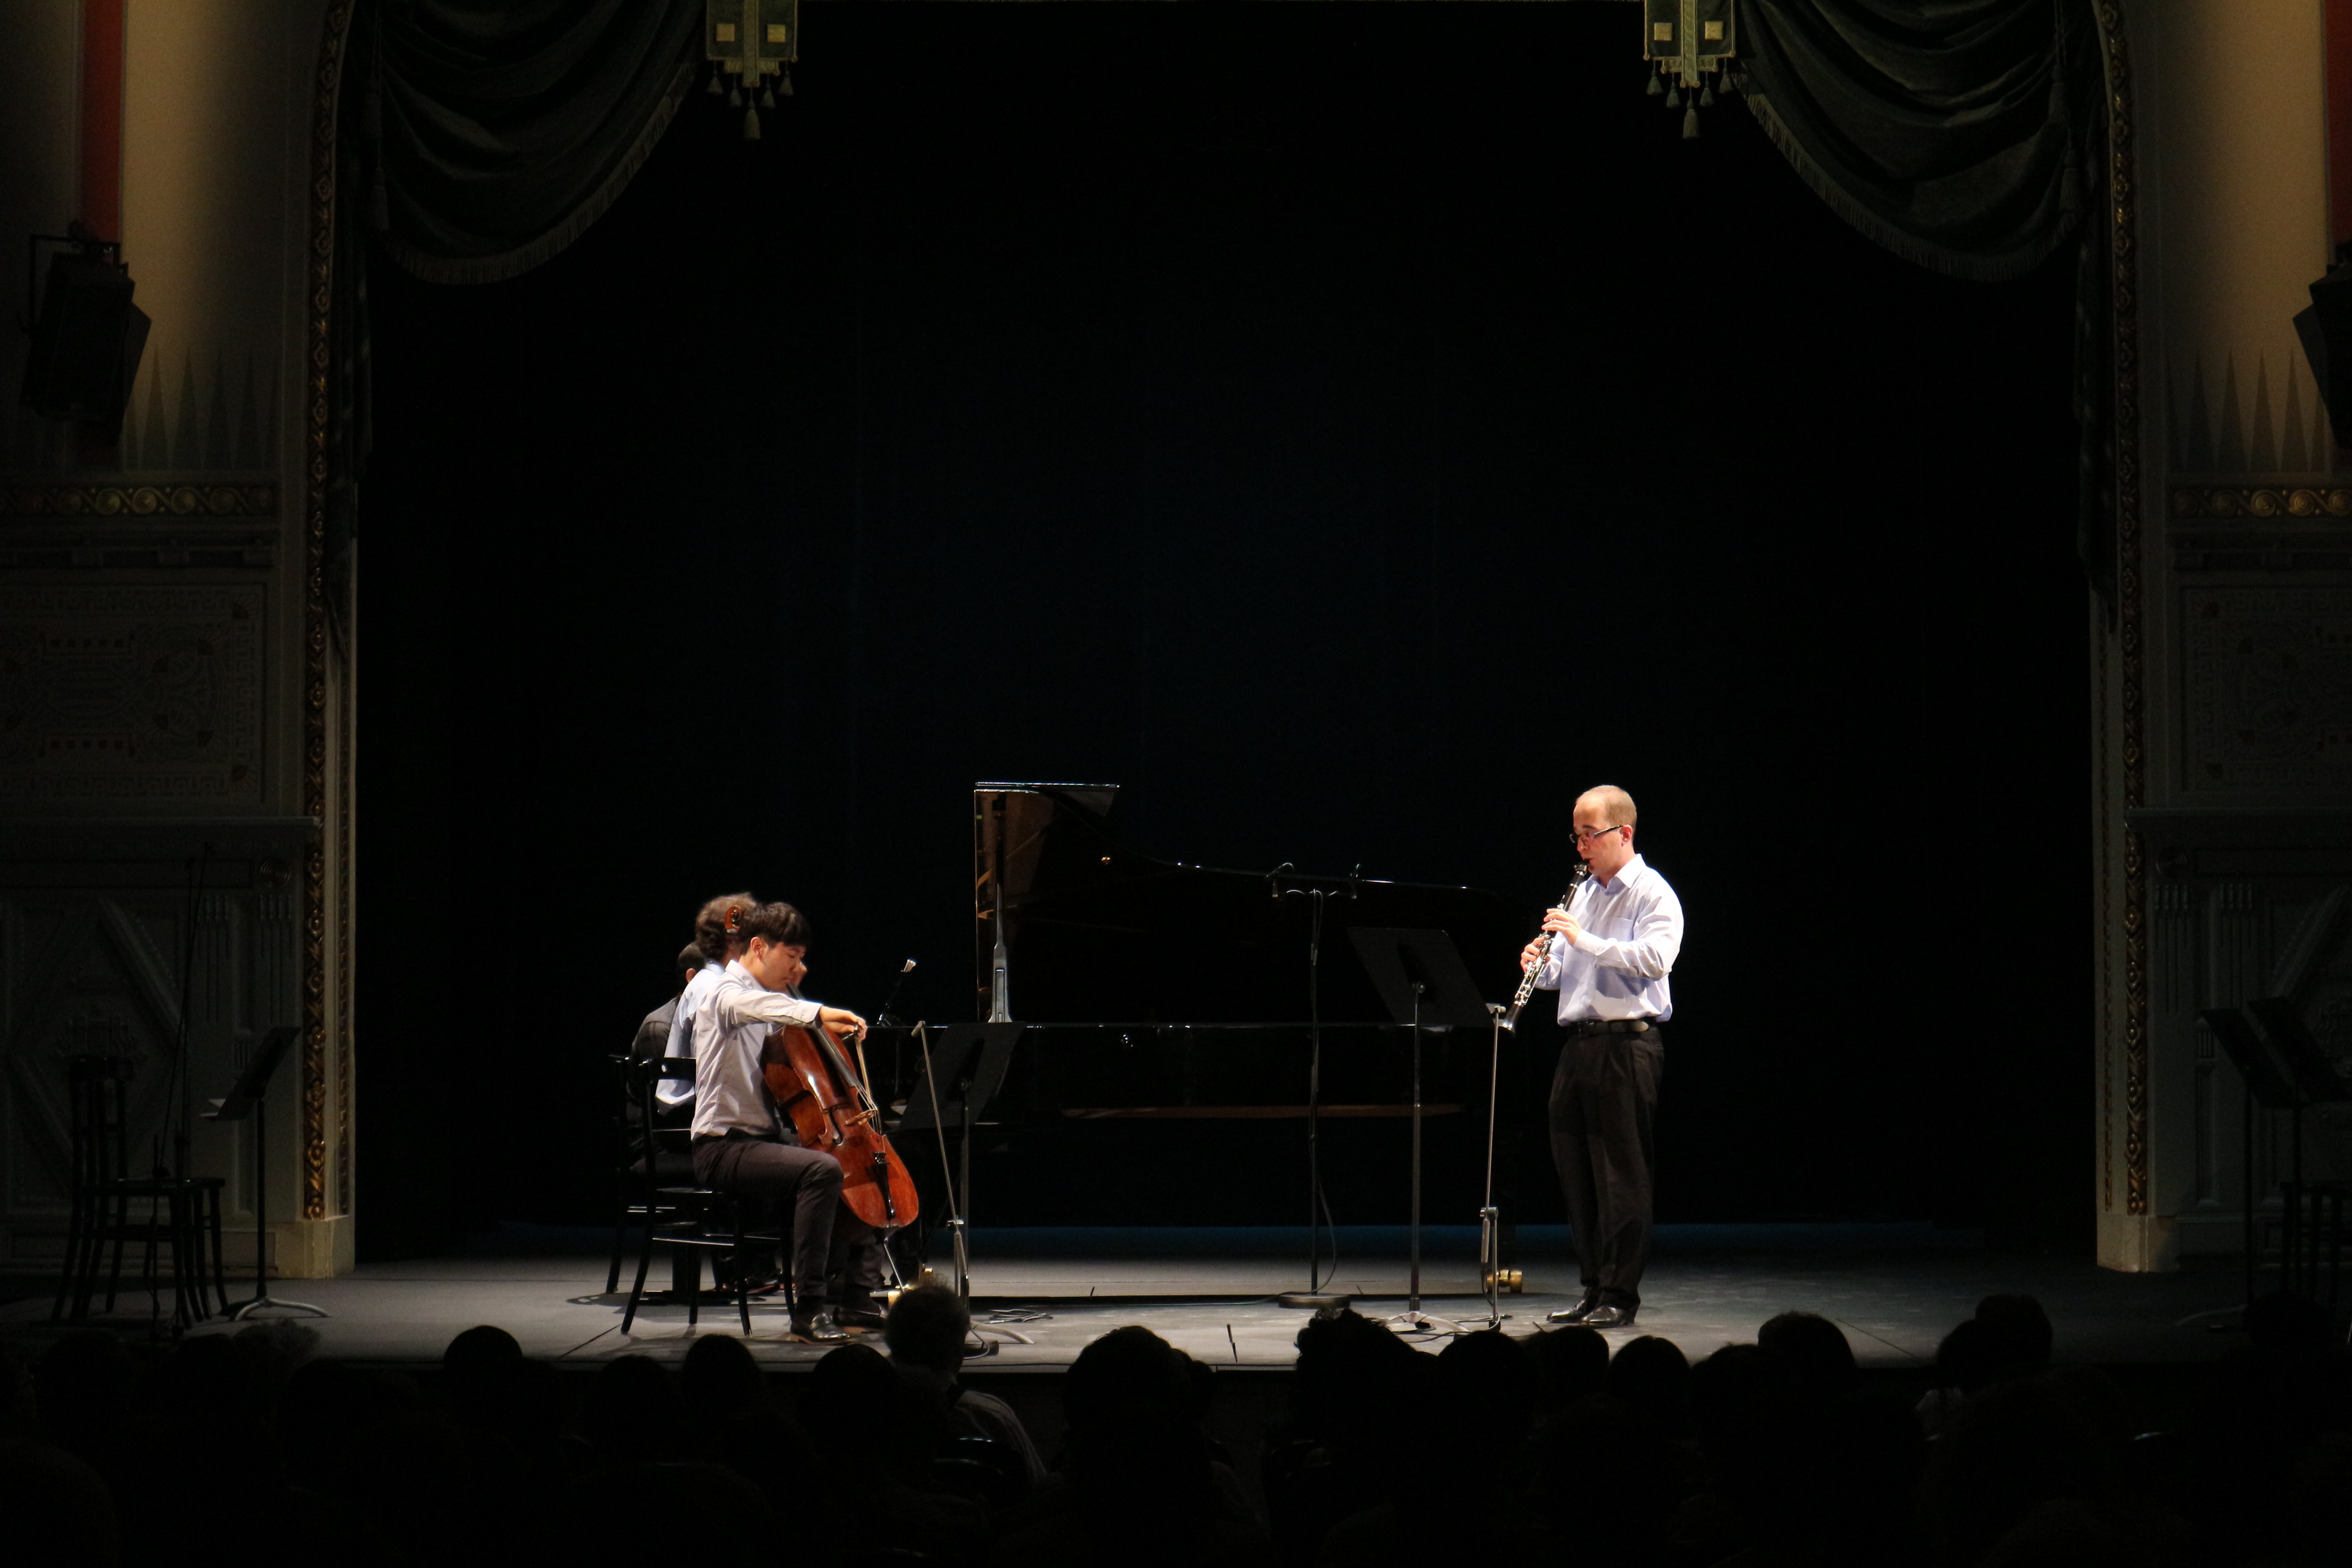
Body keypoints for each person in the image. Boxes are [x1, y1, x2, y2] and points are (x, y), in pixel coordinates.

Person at [1518, 784, 1683, 1329]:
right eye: (1577, 836)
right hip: (1580, 1046)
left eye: (1590, 835)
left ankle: (1619, 1294)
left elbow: (1655, 959)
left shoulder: (1653, 893)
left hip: (1627, 1047)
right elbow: (1569, 973)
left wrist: (1582, 939)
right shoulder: (1583, 893)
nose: (1582, 846)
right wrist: (1539, 966)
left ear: (1624, 833)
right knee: (1578, 1174)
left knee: (1621, 1177)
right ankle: (1592, 1288)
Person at [690, 899, 884, 1342]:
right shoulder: (721, 993)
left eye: (801, 958)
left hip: (760, 1143)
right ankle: (809, 1311)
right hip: (721, 1148)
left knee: (859, 1160)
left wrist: (806, 1006)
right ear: (759, 947)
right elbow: (759, 1006)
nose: (798, 968)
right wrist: (818, 1013)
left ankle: (856, 1298)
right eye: (791, 957)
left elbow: (774, 1010)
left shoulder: (768, 999)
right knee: (822, 1170)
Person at [884, 1282, 1047, 1486]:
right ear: (958, 1348)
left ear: (892, 1342)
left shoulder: (865, 1417)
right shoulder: (990, 1417)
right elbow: (1037, 1488)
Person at [658, 891, 759, 1120]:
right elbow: (713, 1069)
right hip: (692, 1114)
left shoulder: (722, 983)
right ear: (732, 941)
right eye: (754, 937)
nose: (759, 946)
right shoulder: (712, 988)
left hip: (707, 1108)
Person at [630, 942, 709, 1128]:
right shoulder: (659, 1028)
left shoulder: (709, 1021)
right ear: (692, 978)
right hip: (658, 1135)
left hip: (692, 1125)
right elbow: (671, 1108)